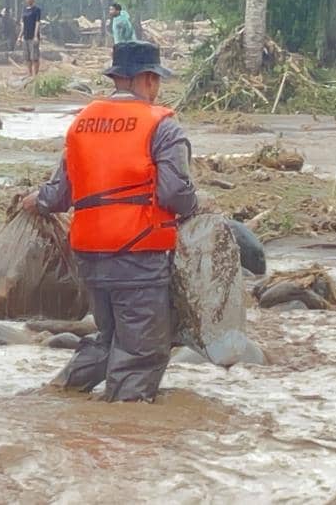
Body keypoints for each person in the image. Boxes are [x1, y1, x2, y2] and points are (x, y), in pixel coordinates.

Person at [23, 40, 197, 403]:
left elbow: (57, 196)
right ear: (148, 79)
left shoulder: (82, 124)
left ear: (117, 78)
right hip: (139, 255)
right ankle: (122, 431)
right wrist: (198, 207)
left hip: (89, 256)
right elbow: (175, 194)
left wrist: (34, 200)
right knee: (141, 353)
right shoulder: (162, 127)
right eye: (157, 81)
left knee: (108, 338)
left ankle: (57, 395)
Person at [18, 0, 43, 77]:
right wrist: (19, 36)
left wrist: (36, 36)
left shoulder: (37, 10)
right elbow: (23, 24)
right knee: (27, 57)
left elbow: (37, 23)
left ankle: (35, 75)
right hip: (26, 36)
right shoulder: (24, 10)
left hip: (33, 37)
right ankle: (29, 73)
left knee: (34, 57)